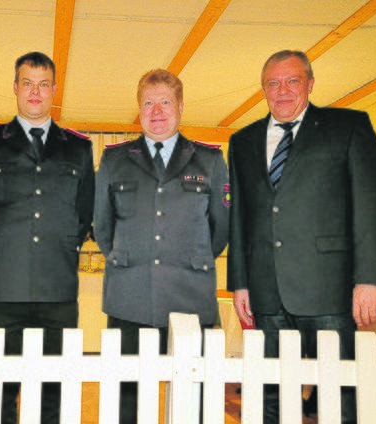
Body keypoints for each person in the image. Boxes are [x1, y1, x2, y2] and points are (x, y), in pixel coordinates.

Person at [227, 50, 376, 423]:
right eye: (273, 83)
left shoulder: (348, 127)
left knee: (339, 395)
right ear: (263, 89)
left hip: (329, 291)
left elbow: (371, 204)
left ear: (310, 84)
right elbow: (240, 215)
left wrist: (370, 278)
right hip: (266, 292)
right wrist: (239, 283)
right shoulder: (242, 141)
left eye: (292, 81)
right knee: (269, 395)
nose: (282, 90)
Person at [0, 51, 94, 424]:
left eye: (44, 84)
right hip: (1, 290)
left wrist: (60, 247)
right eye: (28, 83)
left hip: (58, 291)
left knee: (53, 389)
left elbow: (84, 214)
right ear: (16, 88)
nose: (35, 91)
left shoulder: (78, 147)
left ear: (54, 91)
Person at [94, 68, 230, 423]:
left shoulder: (211, 160)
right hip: (129, 297)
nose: (156, 111)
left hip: (190, 295)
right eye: (148, 103)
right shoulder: (114, 159)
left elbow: (220, 228)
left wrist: (186, 258)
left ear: (181, 106)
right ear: (138, 110)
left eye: (165, 102)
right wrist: (130, 258)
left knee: (192, 401)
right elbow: (103, 227)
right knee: (127, 400)